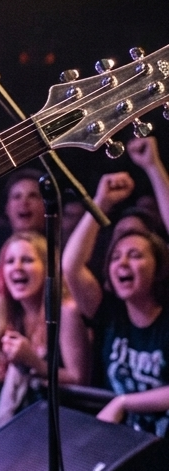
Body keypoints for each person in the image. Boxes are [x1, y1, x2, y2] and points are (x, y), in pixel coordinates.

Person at [63, 173, 169, 436]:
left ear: (158, 268)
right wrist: (100, 201)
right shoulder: (111, 313)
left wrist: (124, 402)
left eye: (135, 256)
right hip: (119, 446)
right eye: (116, 257)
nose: (122, 263)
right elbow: (70, 266)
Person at [0, 231, 90, 443]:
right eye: (10, 261)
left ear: (48, 269)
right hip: (24, 419)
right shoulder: (7, 313)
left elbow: (80, 381)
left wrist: (34, 362)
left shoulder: (65, 311)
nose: (17, 267)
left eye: (28, 260)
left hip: (60, 424)